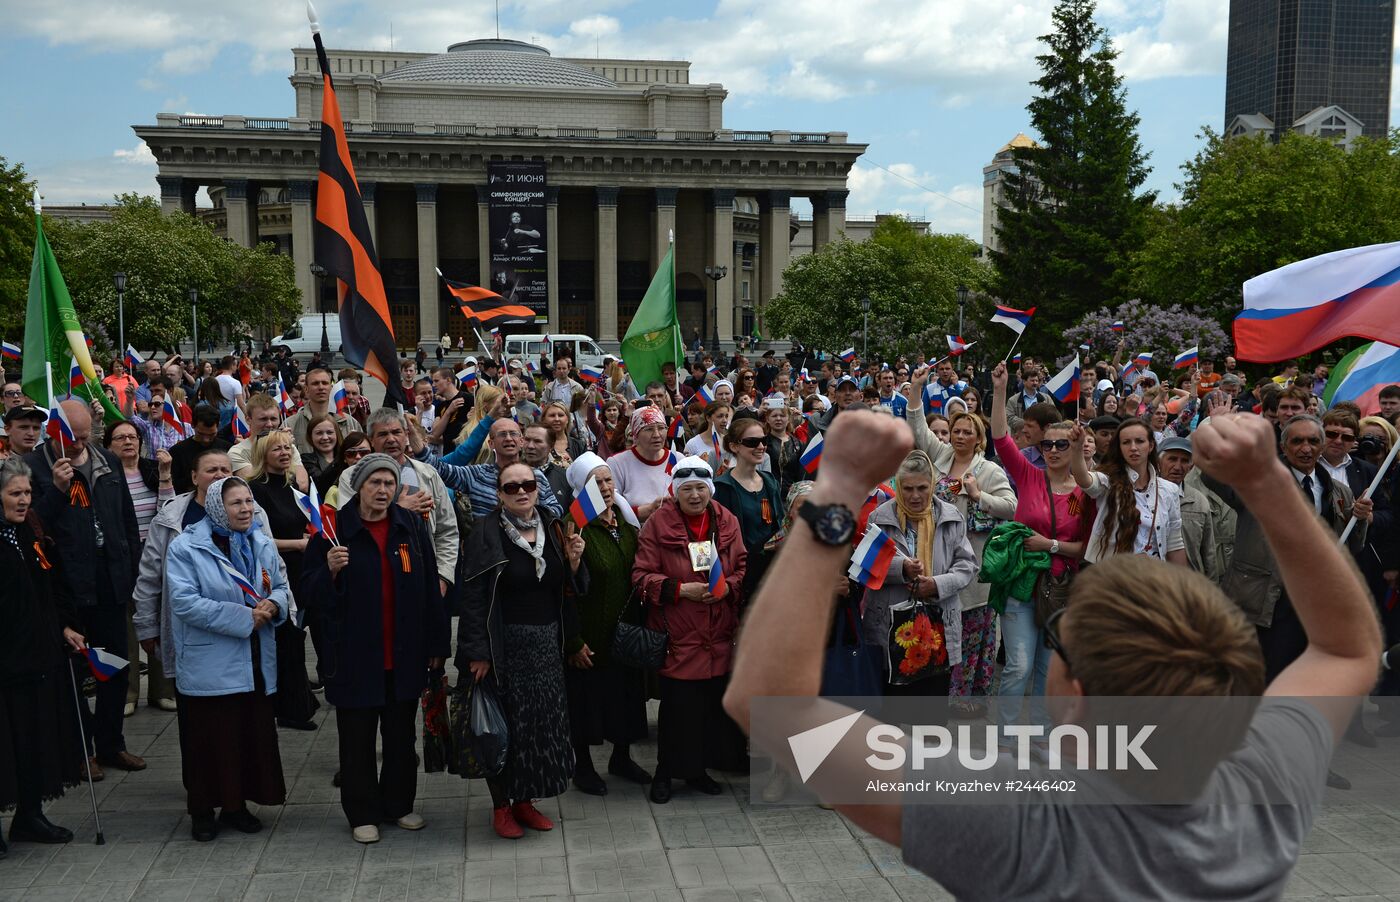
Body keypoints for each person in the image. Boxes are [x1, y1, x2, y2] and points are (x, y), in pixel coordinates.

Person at [723, 405, 1384, 900]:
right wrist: (1267, 479)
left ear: (1075, 696)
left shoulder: (1016, 816)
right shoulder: (1263, 788)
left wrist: (836, 489)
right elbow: (1348, 646)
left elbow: (769, 707)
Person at [302, 454, 448, 842]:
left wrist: (436, 644)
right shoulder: (332, 531)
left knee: (401, 738)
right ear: (359, 487)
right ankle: (362, 812)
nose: (383, 491)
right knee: (357, 741)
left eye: (389, 484)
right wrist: (329, 572)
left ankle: (398, 804)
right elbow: (308, 595)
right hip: (353, 657)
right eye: (375, 483)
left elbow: (429, 589)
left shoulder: (410, 527)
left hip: (404, 655)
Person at [458, 462, 586, 838]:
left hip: (547, 643)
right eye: (511, 487)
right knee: (503, 728)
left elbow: (567, 587)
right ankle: (501, 806)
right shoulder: (485, 532)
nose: (520, 491)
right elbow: (474, 598)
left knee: (538, 729)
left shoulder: (553, 524)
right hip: (504, 645)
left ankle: (525, 801)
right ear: (499, 494)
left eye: (527, 484)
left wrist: (575, 563)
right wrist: (476, 652)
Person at [25, 401, 144, 781]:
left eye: (83, 436)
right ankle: (81, 751)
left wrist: (131, 563)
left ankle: (111, 743)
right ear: (54, 431)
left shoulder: (106, 461)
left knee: (114, 667)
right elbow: (30, 525)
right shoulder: (35, 467)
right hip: (67, 588)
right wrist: (58, 490)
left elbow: (126, 516)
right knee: (74, 674)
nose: (77, 444)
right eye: (69, 438)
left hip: (110, 582)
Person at [165, 477, 288, 842]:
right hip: (210, 663)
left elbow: (280, 583)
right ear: (218, 507)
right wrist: (243, 617)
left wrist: (274, 603)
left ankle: (236, 806)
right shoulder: (186, 546)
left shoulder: (260, 541)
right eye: (237, 503)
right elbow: (184, 602)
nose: (246, 509)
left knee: (246, 734)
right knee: (208, 739)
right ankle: (202, 810)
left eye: (249, 501)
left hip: (253, 659)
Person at [632, 457, 746, 803]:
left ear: (710, 489)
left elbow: (741, 565)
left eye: (701, 488)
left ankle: (697, 771)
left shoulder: (727, 521)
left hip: (718, 634)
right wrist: (681, 590)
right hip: (678, 636)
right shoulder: (657, 524)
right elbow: (641, 576)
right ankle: (665, 774)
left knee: (708, 712)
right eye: (686, 489)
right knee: (677, 712)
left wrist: (727, 587)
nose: (694, 496)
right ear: (675, 491)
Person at [988, 362, 1093, 734]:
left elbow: (1088, 547)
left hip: (1063, 590)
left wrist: (1050, 545)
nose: (1050, 449)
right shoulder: (1028, 475)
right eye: (1045, 443)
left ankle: (1046, 739)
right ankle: (1006, 738)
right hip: (1022, 584)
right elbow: (1001, 439)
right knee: (1018, 665)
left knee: (1049, 669)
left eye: (1060, 444)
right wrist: (1000, 391)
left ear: (1074, 447)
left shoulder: (1088, 491)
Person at [0, 457, 85, 849]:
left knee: (36, 737)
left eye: (27, 493)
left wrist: (64, 625)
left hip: (39, 654)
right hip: (5, 660)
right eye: (14, 494)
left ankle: (29, 816)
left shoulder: (31, 528)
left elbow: (52, 582)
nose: (23, 501)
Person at [561, 453, 650, 796]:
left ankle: (622, 758)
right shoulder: (574, 526)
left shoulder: (624, 525)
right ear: (582, 490)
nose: (605, 488)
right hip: (589, 635)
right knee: (586, 703)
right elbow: (562, 589)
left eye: (608, 480)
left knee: (625, 699)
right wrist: (573, 640)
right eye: (596, 483)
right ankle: (582, 767)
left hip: (624, 633)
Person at [859, 449, 977, 701]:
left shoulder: (951, 517)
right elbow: (866, 566)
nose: (914, 496)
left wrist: (936, 584)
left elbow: (967, 566)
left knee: (930, 714)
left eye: (922, 488)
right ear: (898, 486)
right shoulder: (880, 518)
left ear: (932, 484)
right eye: (907, 488)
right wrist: (901, 568)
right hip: (891, 629)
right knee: (891, 717)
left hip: (936, 628)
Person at [336, 409, 459, 605]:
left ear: (406, 435)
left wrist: (442, 577)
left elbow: (447, 530)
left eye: (397, 432)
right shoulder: (351, 477)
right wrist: (400, 510)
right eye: (383, 434)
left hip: (424, 578)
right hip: (375, 581)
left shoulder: (428, 474)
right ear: (371, 439)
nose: (391, 439)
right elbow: (348, 527)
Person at [246, 432, 320, 731]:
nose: (284, 452)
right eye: (276, 448)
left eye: (288, 447)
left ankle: (296, 701)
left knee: (294, 639)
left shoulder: (294, 487)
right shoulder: (256, 490)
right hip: (275, 575)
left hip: (302, 571)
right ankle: (289, 707)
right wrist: (297, 544)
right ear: (263, 454)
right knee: (286, 641)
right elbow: (257, 539)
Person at [103, 421, 177, 715]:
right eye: (120, 437)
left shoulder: (151, 469)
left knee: (159, 623)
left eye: (132, 437)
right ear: (109, 445)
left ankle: (163, 691)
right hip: (121, 561)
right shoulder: (104, 475)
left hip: (155, 556)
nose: (128, 442)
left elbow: (168, 511)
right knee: (128, 630)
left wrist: (164, 477)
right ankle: (129, 693)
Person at [1071, 417, 1186, 566]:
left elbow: (1175, 544)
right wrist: (1076, 450)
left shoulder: (1169, 490)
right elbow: (1085, 481)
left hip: (1153, 578)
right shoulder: (1108, 480)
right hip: (1113, 578)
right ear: (1119, 448)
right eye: (1126, 442)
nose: (1133, 447)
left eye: (1139, 441)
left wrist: (1182, 585)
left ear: (1151, 445)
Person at [713, 417, 785, 599]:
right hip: (741, 574)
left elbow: (781, 525)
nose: (761, 446)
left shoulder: (770, 481)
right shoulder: (722, 487)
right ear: (734, 446)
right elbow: (720, 537)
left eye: (764, 440)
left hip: (772, 571)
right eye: (752, 442)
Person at [1157, 436, 1219, 582]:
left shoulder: (1198, 501)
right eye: (1172, 459)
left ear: (1191, 467)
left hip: (1189, 585)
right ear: (1158, 462)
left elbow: (1208, 552)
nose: (1178, 467)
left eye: (1184, 461)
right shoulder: (1143, 496)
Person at [607, 407, 682, 521]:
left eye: (661, 428)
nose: (657, 434)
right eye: (649, 429)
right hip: (636, 533)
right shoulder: (617, 463)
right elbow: (610, 509)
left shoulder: (678, 459)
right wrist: (648, 510)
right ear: (635, 434)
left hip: (675, 530)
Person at [285, 366, 361, 456]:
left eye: (325, 383)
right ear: (306, 389)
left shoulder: (350, 423)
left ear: (331, 387)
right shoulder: (290, 424)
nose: (321, 387)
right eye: (315, 383)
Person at [760, 397, 805, 499]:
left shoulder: (798, 444)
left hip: (791, 498)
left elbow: (801, 475)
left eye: (782, 415)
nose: (778, 419)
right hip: (767, 496)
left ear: (788, 418)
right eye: (774, 416)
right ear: (767, 419)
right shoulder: (762, 442)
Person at [317, 432, 370, 504]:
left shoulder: (382, 485)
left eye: (364, 452)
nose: (358, 457)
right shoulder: (334, 492)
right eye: (351, 453)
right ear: (344, 458)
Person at [299, 413, 342, 485]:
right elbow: (320, 483)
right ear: (310, 436)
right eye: (319, 433)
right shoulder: (306, 460)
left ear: (337, 434)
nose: (325, 437)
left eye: (329, 432)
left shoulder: (348, 458)